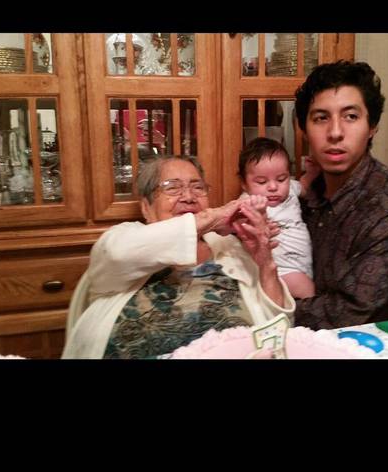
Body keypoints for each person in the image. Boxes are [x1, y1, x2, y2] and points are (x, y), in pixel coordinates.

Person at [62, 154, 295, 359]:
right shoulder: (123, 238)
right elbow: (117, 254)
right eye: (172, 188)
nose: (189, 197)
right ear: (146, 207)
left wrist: (264, 261)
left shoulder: (230, 246)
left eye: (198, 187)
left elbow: (279, 326)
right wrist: (213, 218)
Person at [293, 60, 388, 330]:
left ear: (372, 126)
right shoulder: (309, 193)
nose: (335, 132)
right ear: (305, 131)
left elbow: (353, 313)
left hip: (376, 344)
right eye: (321, 118)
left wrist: (271, 309)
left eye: (350, 116)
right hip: (310, 339)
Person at [238, 137, 320, 299]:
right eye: (262, 181)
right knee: (309, 293)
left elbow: (303, 186)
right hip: (280, 269)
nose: (273, 187)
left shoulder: (291, 189)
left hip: (302, 265)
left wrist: (312, 173)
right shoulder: (248, 202)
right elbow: (242, 228)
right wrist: (259, 214)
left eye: (281, 179)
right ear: (244, 184)